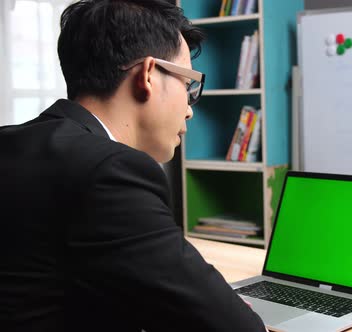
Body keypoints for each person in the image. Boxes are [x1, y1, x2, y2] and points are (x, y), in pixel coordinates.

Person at [0, 0, 266, 331]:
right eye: (187, 85)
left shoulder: (12, 142)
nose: (189, 110)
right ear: (149, 75)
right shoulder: (110, 172)